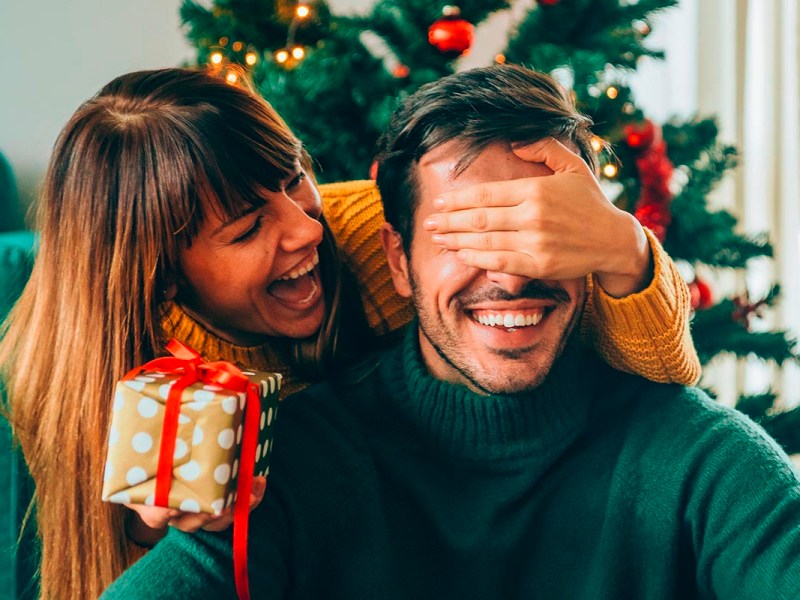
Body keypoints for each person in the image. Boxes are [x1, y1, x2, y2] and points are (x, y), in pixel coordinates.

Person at [101, 64, 800, 600]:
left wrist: (626, 246)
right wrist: (168, 523)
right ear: (397, 259)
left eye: (536, 232)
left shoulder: (697, 459)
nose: (510, 273)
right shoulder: (290, 462)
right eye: (469, 234)